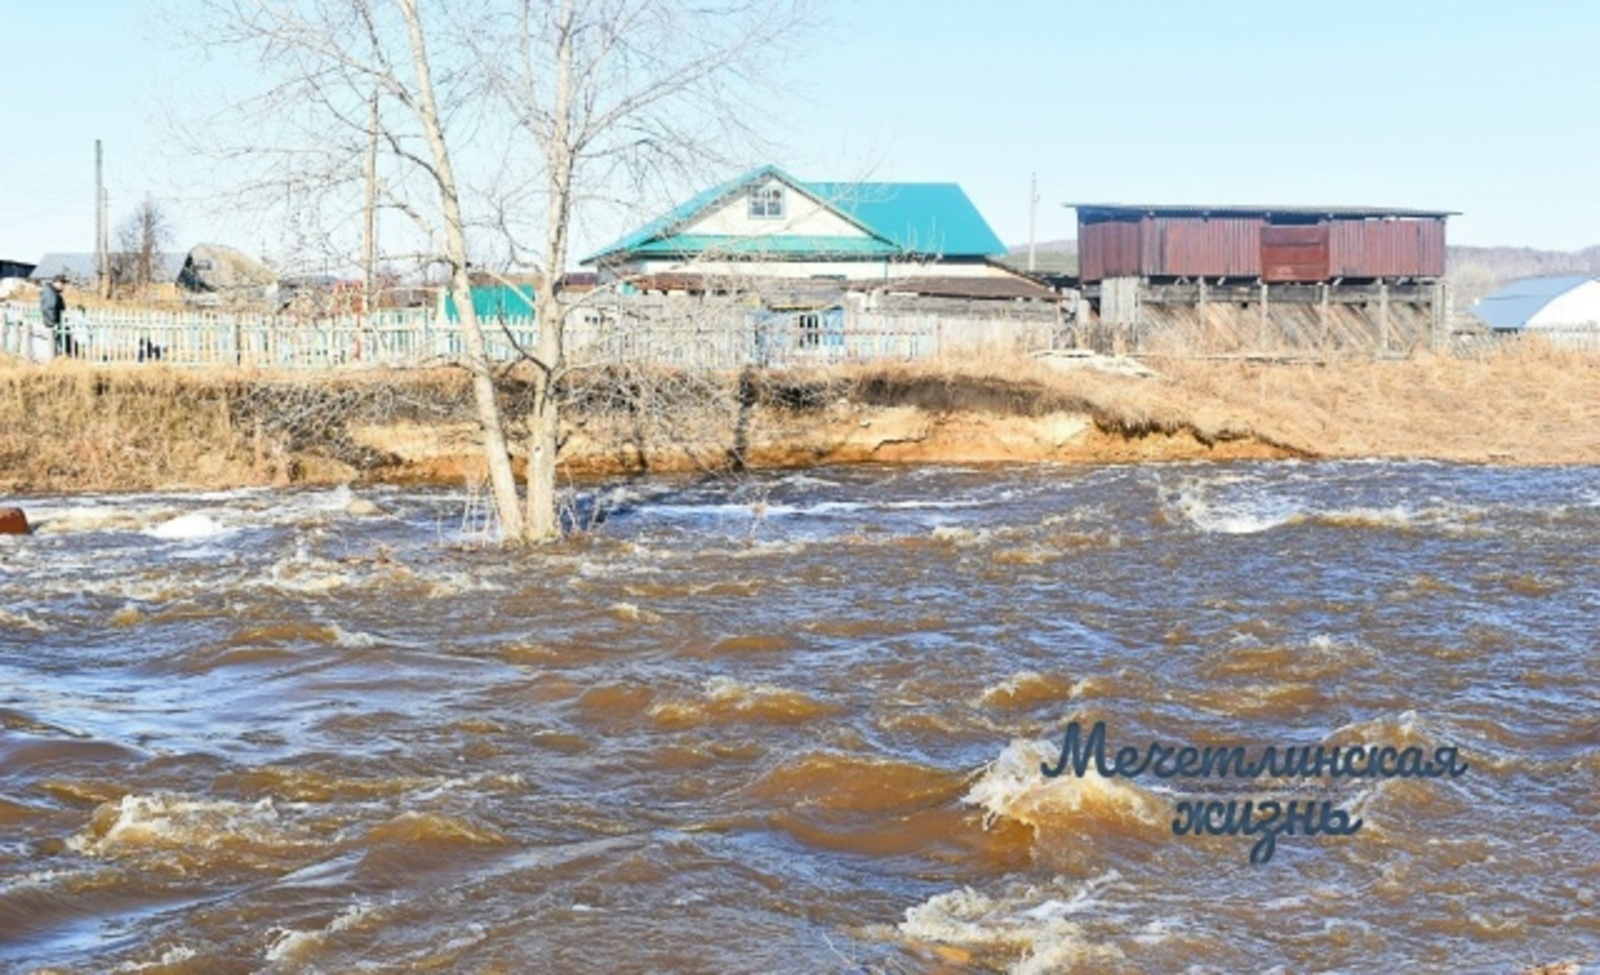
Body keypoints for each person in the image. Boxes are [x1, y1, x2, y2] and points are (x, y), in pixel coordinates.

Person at [39, 275, 76, 358]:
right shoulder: (50, 293)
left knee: (66, 340)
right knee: (62, 341)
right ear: (57, 283)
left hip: (57, 322)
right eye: (62, 283)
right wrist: (53, 323)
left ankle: (66, 355)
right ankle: (66, 356)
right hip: (54, 324)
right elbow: (49, 309)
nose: (64, 286)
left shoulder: (52, 292)